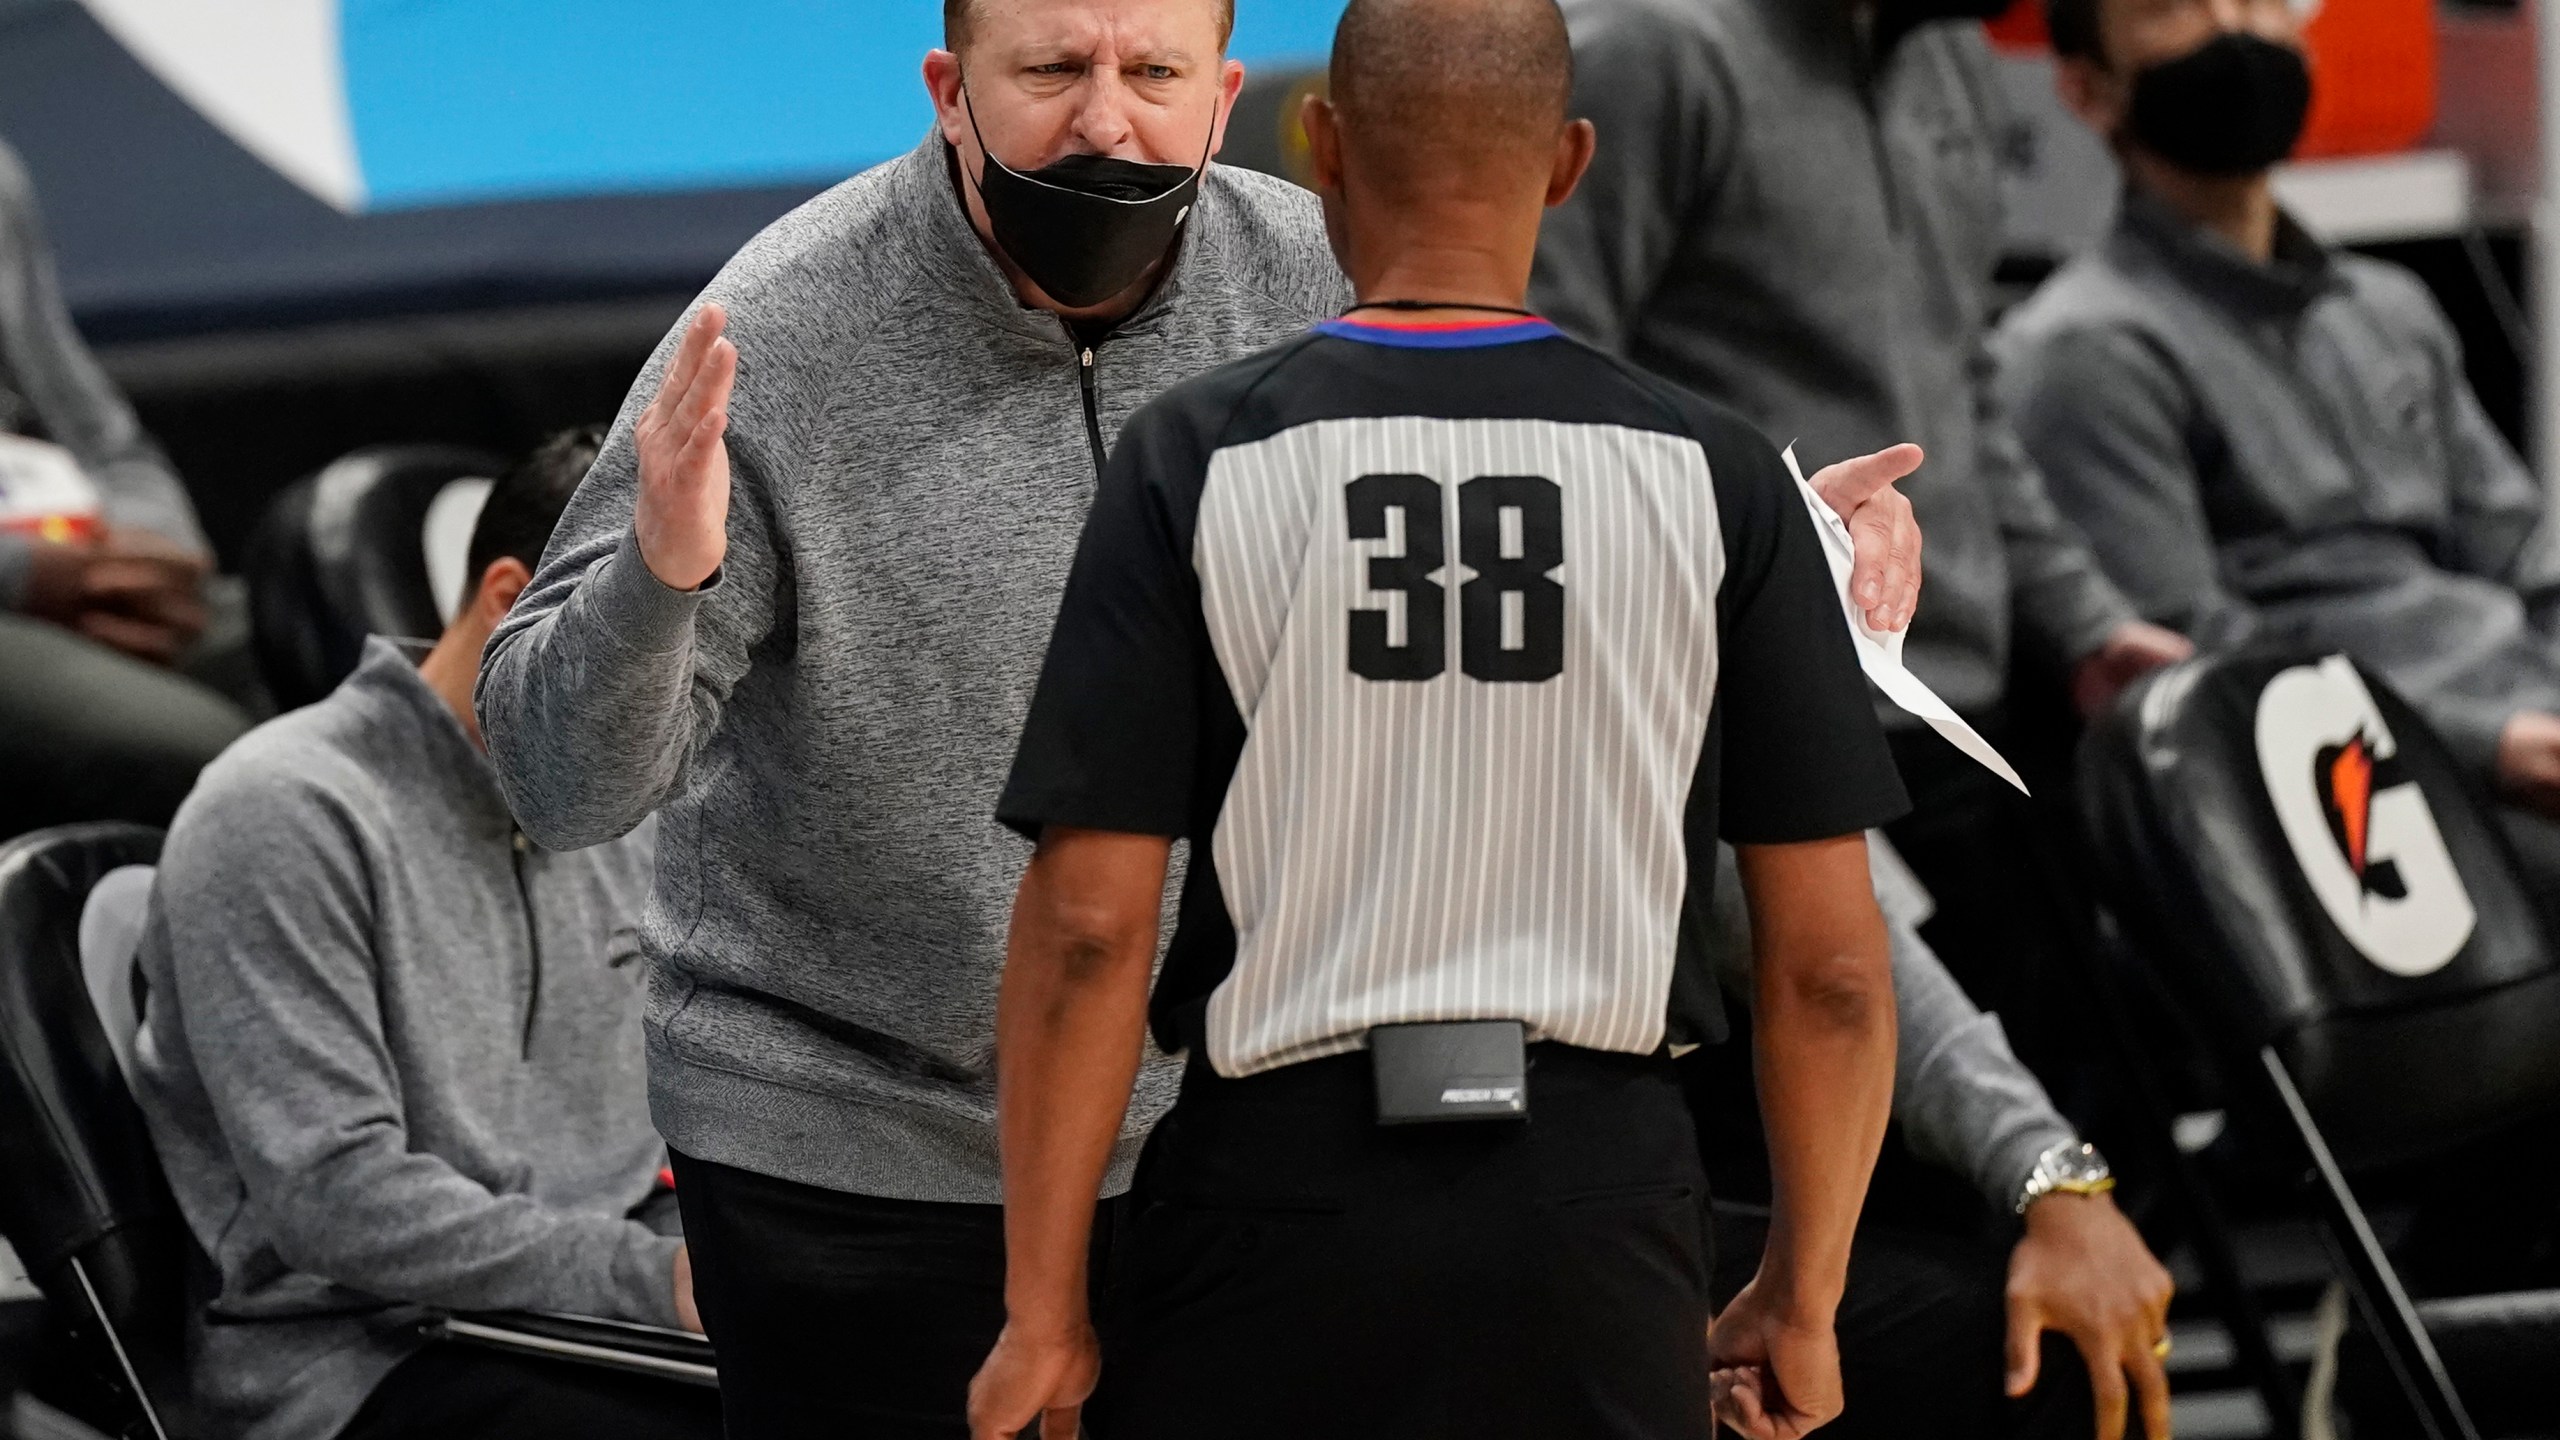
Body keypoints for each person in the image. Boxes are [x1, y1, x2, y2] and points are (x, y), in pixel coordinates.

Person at [475, 0, 1925, 1431]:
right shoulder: (777, 331)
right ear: (946, 85)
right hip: (855, 1165)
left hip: (1234, 1162)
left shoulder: (1332, 279)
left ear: (1230, 96)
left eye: (1151, 70)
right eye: (1050, 68)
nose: (1106, 119)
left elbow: (1530, 552)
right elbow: (558, 782)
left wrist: (1793, 559)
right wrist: (662, 580)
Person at [967, 1, 1907, 1435]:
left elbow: (1092, 928)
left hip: (1277, 1201)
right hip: (1599, 1212)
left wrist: (1044, 1313)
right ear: (1572, 163)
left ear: (1322, 148)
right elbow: (1832, 972)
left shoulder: (1196, 457)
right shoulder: (1721, 480)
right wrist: (1804, 1293)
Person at [1527, 0, 2196, 1118]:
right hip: (1757, 747)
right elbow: (1552, 393)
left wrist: (2083, 626)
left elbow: (1957, 379)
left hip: (1957, 725)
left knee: (2044, 1182)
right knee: (1867, 1221)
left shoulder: (1950, 56)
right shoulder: (1655, 55)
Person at [133, 429, 717, 1440]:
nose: (676, 700)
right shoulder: (281, 810)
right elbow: (336, 1198)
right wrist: (653, 1278)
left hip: (581, 1317)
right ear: (509, 602)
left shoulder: (625, 809)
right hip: (356, 1363)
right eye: (648, 649)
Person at [1998, 0, 2560, 872]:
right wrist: (2490, 743)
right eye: (2172, 8)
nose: (2235, 27)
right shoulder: (2086, 351)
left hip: (2524, 719)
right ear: (2086, 88)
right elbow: (2194, 671)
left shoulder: (2386, 309)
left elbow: (2523, 552)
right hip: (2367, 792)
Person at [1701, 837, 2175, 1440]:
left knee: (2067, 1336)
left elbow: (1839, 969)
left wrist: (2059, 1179)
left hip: (1644, 1196)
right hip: (1577, 1196)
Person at [0, 134, 247, 839]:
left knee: (393, 682)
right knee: (212, 761)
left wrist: (145, 552)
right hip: (25, 586)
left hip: (84, 566)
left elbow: (105, 441)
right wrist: (24, 576)